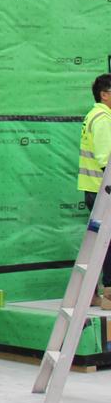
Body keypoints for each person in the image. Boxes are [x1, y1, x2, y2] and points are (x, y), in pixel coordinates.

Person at [79, 74, 111, 308]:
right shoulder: (102, 118)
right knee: (106, 243)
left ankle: (90, 294)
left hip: (96, 189)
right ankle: (108, 294)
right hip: (104, 190)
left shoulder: (97, 115)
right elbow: (105, 158)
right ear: (104, 94)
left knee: (101, 242)